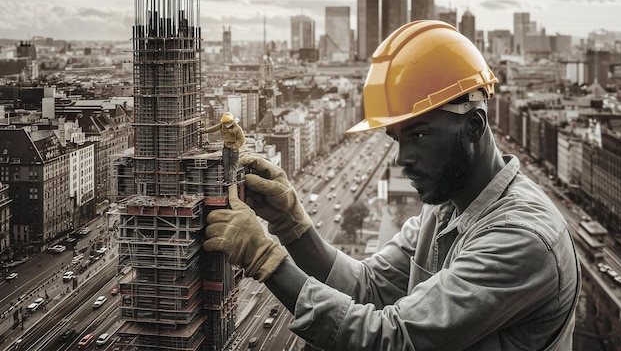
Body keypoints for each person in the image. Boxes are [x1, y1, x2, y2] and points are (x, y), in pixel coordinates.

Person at [203, 20, 581, 350]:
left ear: (474, 126)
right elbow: (367, 287)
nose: (401, 159)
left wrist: (265, 259)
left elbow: (393, 340)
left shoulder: (522, 238)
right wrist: (291, 224)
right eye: (396, 138)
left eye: (418, 135)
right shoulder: (445, 208)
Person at [200, 112, 245, 184]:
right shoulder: (223, 125)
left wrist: (234, 147)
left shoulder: (237, 129)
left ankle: (232, 181)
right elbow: (214, 128)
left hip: (234, 149)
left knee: (233, 165)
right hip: (226, 147)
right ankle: (226, 180)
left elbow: (242, 139)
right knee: (226, 164)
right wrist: (204, 131)